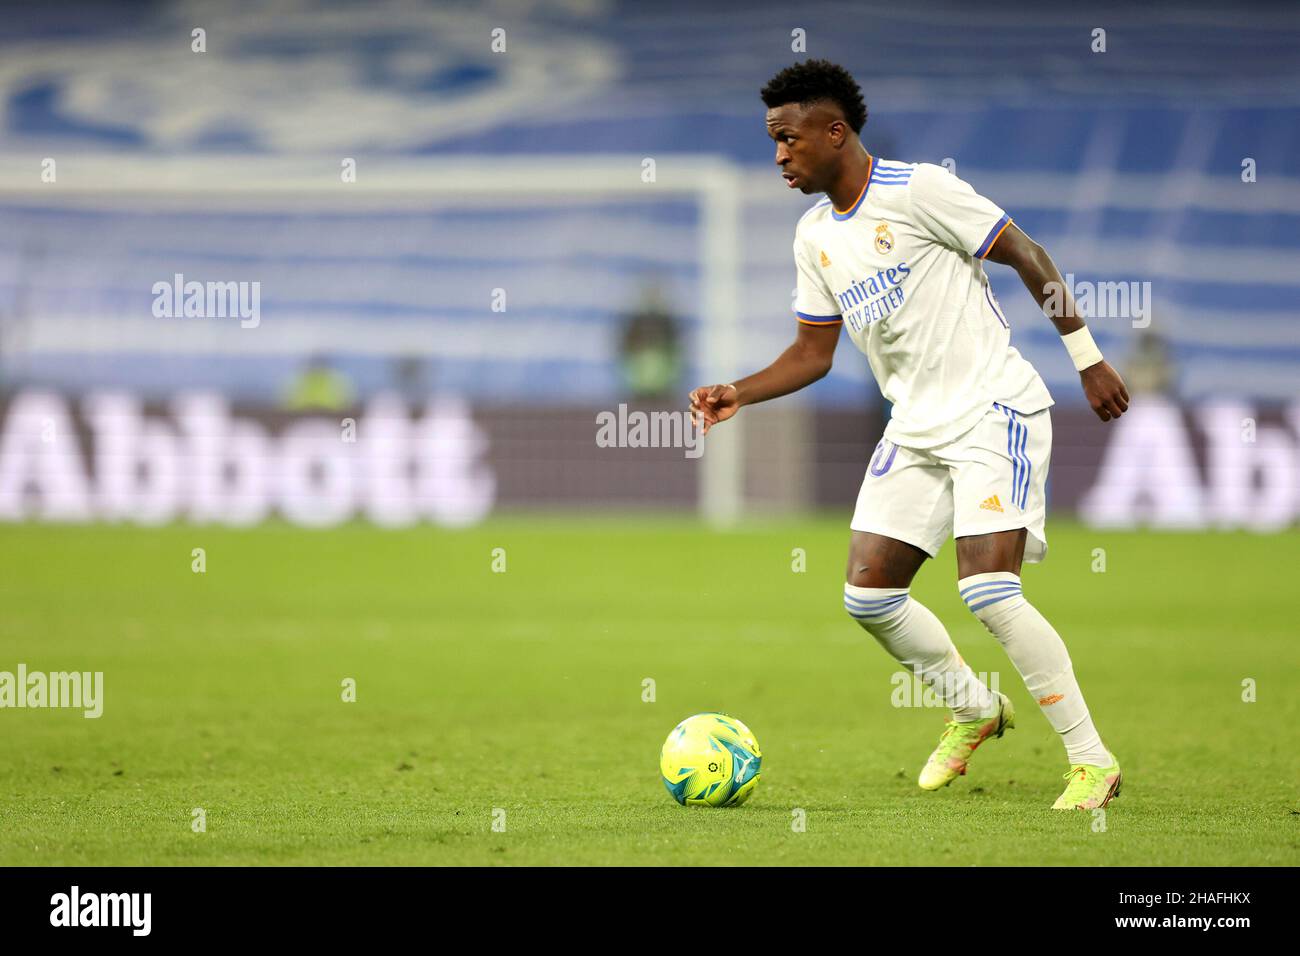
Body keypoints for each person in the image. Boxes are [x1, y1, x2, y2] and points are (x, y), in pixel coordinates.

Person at [689, 60, 1131, 811]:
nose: (779, 156)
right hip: (917, 427)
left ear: (836, 132)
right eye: (773, 142)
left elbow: (1026, 253)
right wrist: (741, 390)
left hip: (994, 409)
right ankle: (974, 709)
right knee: (869, 597)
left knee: (989, 590)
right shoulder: (813, 238)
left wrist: (1086, 361)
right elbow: (812, 354)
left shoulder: (919, 190)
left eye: (789, 139)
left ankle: (1092, 761)